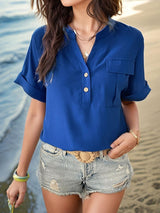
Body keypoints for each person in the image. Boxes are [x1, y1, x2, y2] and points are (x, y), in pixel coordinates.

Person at [6, 0, 151, 212]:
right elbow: (37, 114)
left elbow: (128, 100)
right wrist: (20, 175)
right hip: (57, 165)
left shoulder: (130, 39)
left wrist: (135, 134)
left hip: (109, 163)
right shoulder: (43, 39)